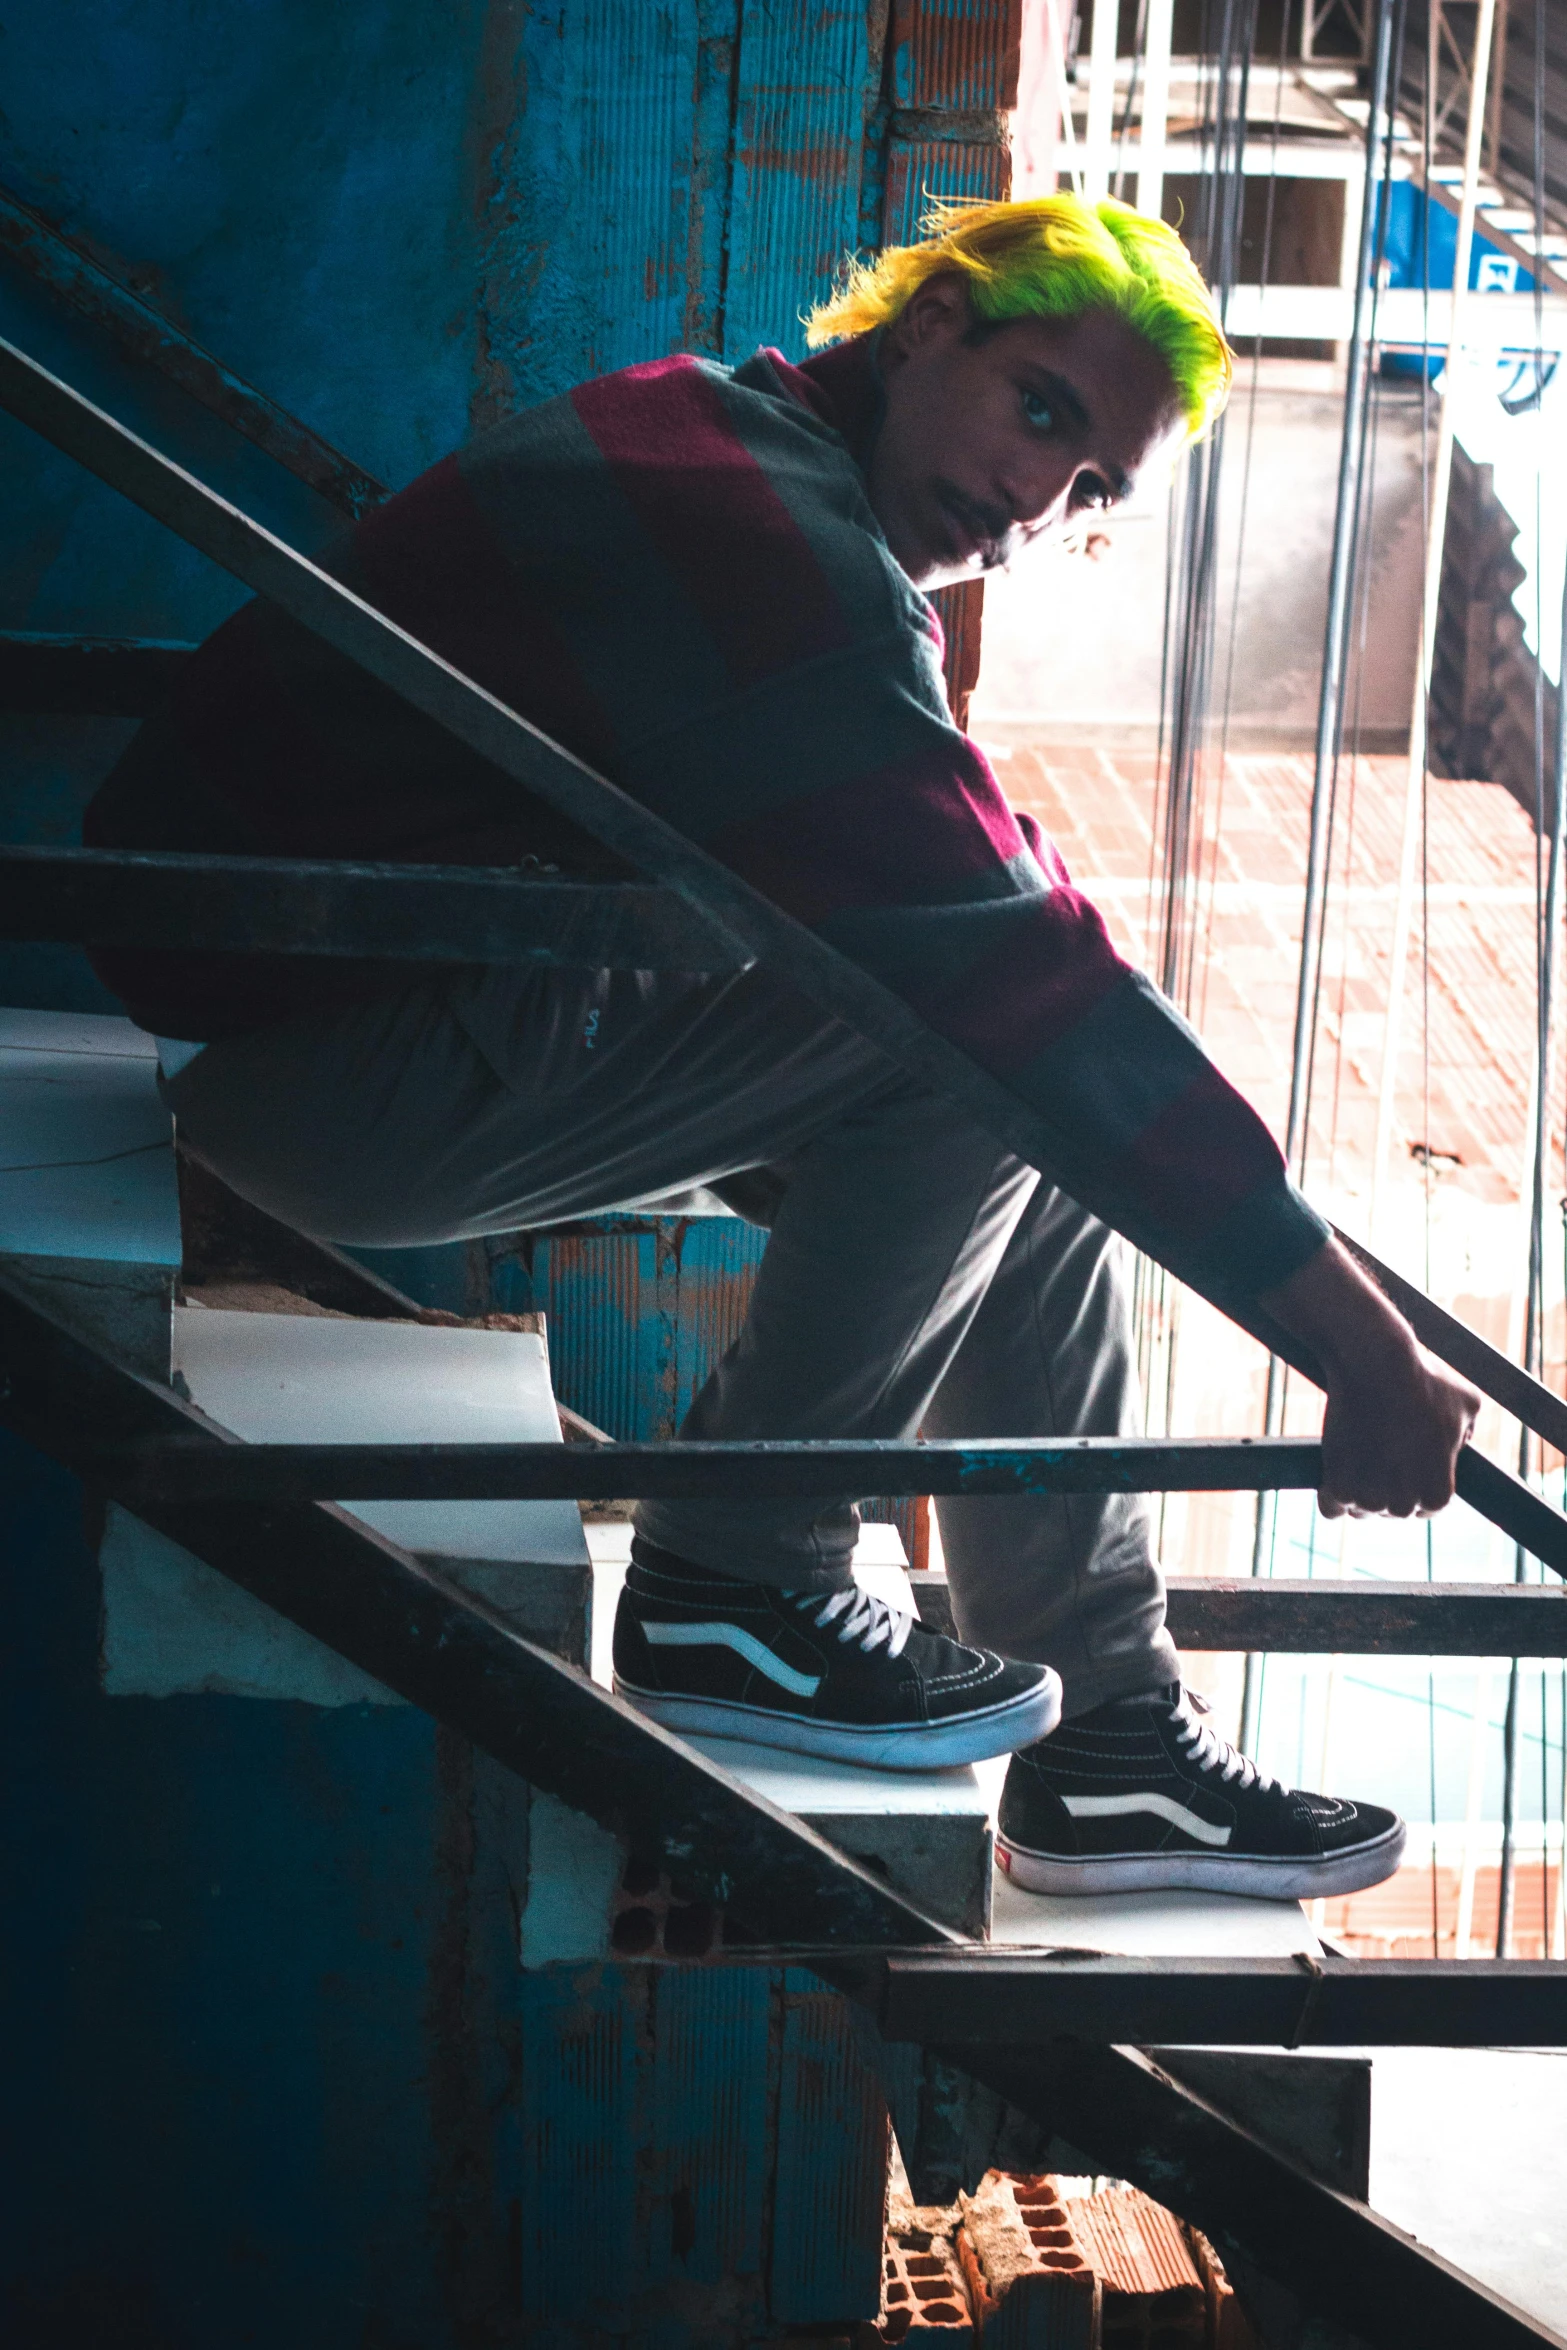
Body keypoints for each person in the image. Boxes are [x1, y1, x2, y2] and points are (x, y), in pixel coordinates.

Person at [84, 195, 1478, 1900]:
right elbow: (1020, 978)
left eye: (1093, 486)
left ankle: (1107, 1742)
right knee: (958, 1043)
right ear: (928, 325)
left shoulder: (744, 456)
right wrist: (1356, 1338)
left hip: (385, 1002)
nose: (1039, 501)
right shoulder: (753, 536)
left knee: (1013, 1107)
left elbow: (1004, 929)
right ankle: (736, 1579)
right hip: (324, 1049)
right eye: (1040, 408)